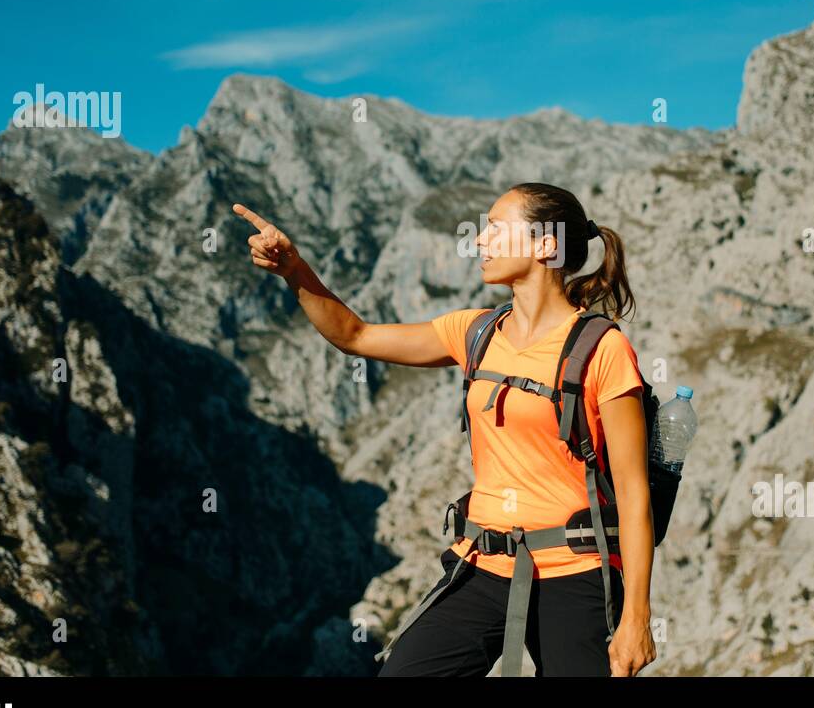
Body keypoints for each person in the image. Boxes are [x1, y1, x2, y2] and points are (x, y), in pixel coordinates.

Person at [234, 181, 658, 677]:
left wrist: (637, 618)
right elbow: (356, 335)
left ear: (546, 245)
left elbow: (633, 493)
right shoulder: (474, 332)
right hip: (481, 561)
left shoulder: (603, 350)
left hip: (574, 572)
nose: (480, 241)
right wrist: (294, 270)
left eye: (497, 229)